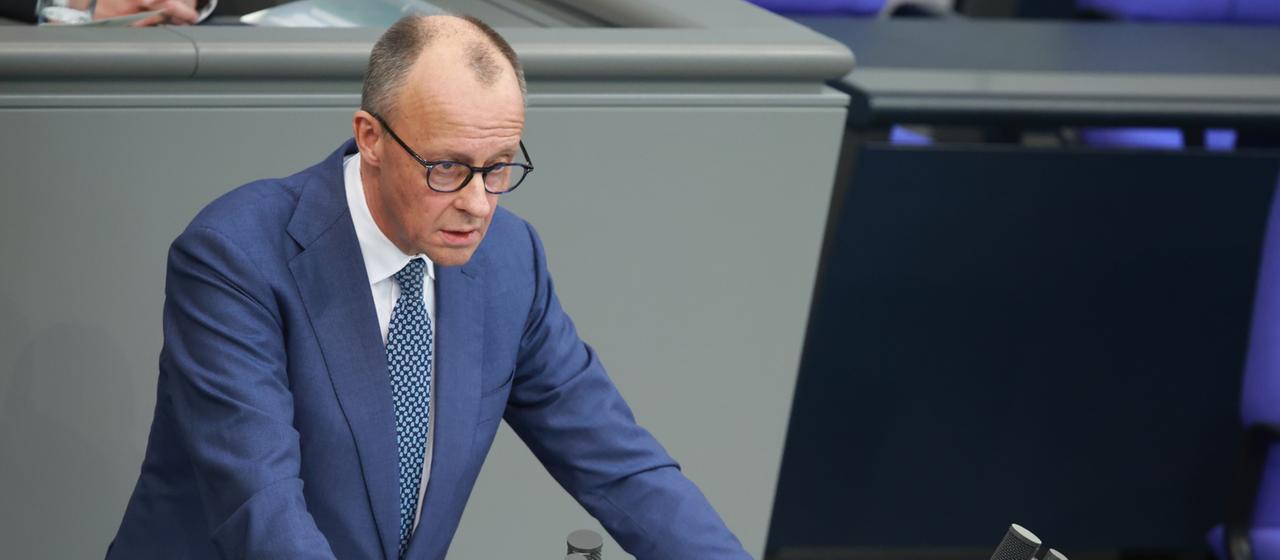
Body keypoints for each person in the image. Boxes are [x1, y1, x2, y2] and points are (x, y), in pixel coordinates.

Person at [106, 13, 751, 560]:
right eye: (448, 168)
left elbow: (620, 464)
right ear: (371, 138)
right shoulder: (236, 256)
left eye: (499, 168)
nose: (478, 204)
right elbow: (260, 502)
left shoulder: (509, 260)